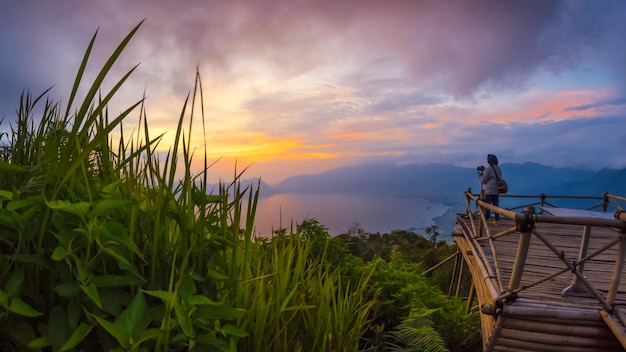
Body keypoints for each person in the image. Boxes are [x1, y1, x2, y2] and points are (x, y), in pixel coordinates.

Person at [478, 154, 503, 225]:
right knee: (495, 205)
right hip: (496, 190)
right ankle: (497, 220)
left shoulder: (488, 169)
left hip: (489, 190)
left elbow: (483, 180)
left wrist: (480, 175)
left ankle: (486, 220)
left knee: (487, 206)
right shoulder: (498, 168)